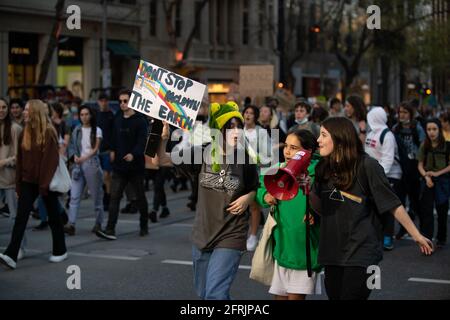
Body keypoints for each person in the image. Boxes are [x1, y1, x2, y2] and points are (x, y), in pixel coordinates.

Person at [310, 117, 433, 300]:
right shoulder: (323, 168)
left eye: (323, 135)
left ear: (340, 138)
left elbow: (392, 203)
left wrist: (416, 235)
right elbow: (321, 209)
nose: (318, 140)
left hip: (362, 252)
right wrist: (305, 192)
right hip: (332, 251)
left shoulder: (367, 165)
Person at [152, 101, 259, 300]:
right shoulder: (202, 153)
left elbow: (256, 187)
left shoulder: (246, 159)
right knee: (204, 294)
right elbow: (161, 160)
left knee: (215, 295)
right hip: (203, 234)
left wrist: (249, 197)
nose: (236, 132)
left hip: (231, 233)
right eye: (230, 127)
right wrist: (163, 139)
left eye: (239, 127)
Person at [0, 99, 67, 270]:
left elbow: (50, 163)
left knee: (53, 218)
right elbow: (20, 162)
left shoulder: (49, 132)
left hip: (45, 183)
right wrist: (18, 185)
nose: (23, 112)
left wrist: (43, 186)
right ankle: (11, 255)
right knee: (20, 218)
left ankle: (60, 251)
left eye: (27, 110)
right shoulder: (25, 132)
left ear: (35, 112)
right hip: (28, 183)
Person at [255, 128, 321, 300]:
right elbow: (260, 188)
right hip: (282, 247)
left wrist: (315, 213)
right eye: (286, 146)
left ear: (308, 152)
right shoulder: (278, 169)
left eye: (294, 148)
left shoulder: (319, 173)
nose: (287, 151)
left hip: (304, 250)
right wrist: (265, 195)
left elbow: (329, 203)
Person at [96, 89, 149, 240]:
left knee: (140, 197)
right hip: (119, 167)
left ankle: (144, 225)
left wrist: (134, 154)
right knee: (114, 197)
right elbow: (112, 136)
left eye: (125, 101)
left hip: (136, 167)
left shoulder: (140, 120)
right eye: (120, 101)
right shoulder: (117, 118)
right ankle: (110, 229)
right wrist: (112, 149)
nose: (122, 104)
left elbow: (142, 141)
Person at [365, 107, 403, 251]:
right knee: (375, 206)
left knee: (388, 206)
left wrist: (379, 177)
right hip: (375, 175)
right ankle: (378, 235)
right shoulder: (371, 133)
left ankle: (388, 236)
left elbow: (388, 159)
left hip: (390, 175)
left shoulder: (387, 135)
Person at [65, 105, 104, 235]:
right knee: (74, 196)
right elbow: (71, 146)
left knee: (96, 196)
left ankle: (98, 223)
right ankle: (71, 224)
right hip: (78, 166)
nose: (84, 117)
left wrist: (83, 158)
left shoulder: (97, 130)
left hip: (91, 164)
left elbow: (95, 149)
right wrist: (75, 156)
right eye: (82, 115)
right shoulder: (77, 130)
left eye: (86, 114)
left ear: (91, 115)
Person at [392, 101, 426, 239]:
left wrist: (421, 164)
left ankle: (424, 230)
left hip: (414, 167)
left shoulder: (417, 128)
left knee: (416, 200)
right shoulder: (395, 128)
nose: (402, 115)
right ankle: (403, 228)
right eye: (400, 112)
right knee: (400, 200)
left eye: (405, 112)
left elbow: (423, 146)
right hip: (401, 167)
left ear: (411, 114)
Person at [242, 105, 272, 251]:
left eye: (251, 113)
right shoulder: (238, 131)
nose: (248, 115)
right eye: (246, 112)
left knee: (254, 205)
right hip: (237, 174)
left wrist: (255, 156)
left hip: (255, 173)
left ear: (256, 116)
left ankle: (253, 235)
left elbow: (267, 156)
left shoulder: (261, 133)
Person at [417, 119, 449, 248]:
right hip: (427, 180)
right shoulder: (424, 145)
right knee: (427, 212)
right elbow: (419, 165)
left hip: (443, 181)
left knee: (442, 211)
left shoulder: (447, 145)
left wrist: (437, 174)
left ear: (439, 130)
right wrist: (426, 176)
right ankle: (427, 240)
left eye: (434, 129)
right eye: (429, 129)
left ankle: (441, 238)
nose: (431, 132)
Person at [0, 98, 24, 258]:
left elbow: (19, 156)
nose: (1, 110)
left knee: (16, 216)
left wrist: (3, 161)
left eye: (3, 107)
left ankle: (19, 247)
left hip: (10, 179)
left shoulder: (16, 128)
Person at [96, 93, 114, 211]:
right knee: (100, 176)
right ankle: (104, 195)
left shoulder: (111, 115)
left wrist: (113, 150)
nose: (103, 103)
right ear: (98, 102)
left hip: (107, 150)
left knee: (107, 175)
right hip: (97, 150)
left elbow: (114, 134)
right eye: (101, 101)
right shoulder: (95, 116)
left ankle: (108, 198)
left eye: (105, 100)